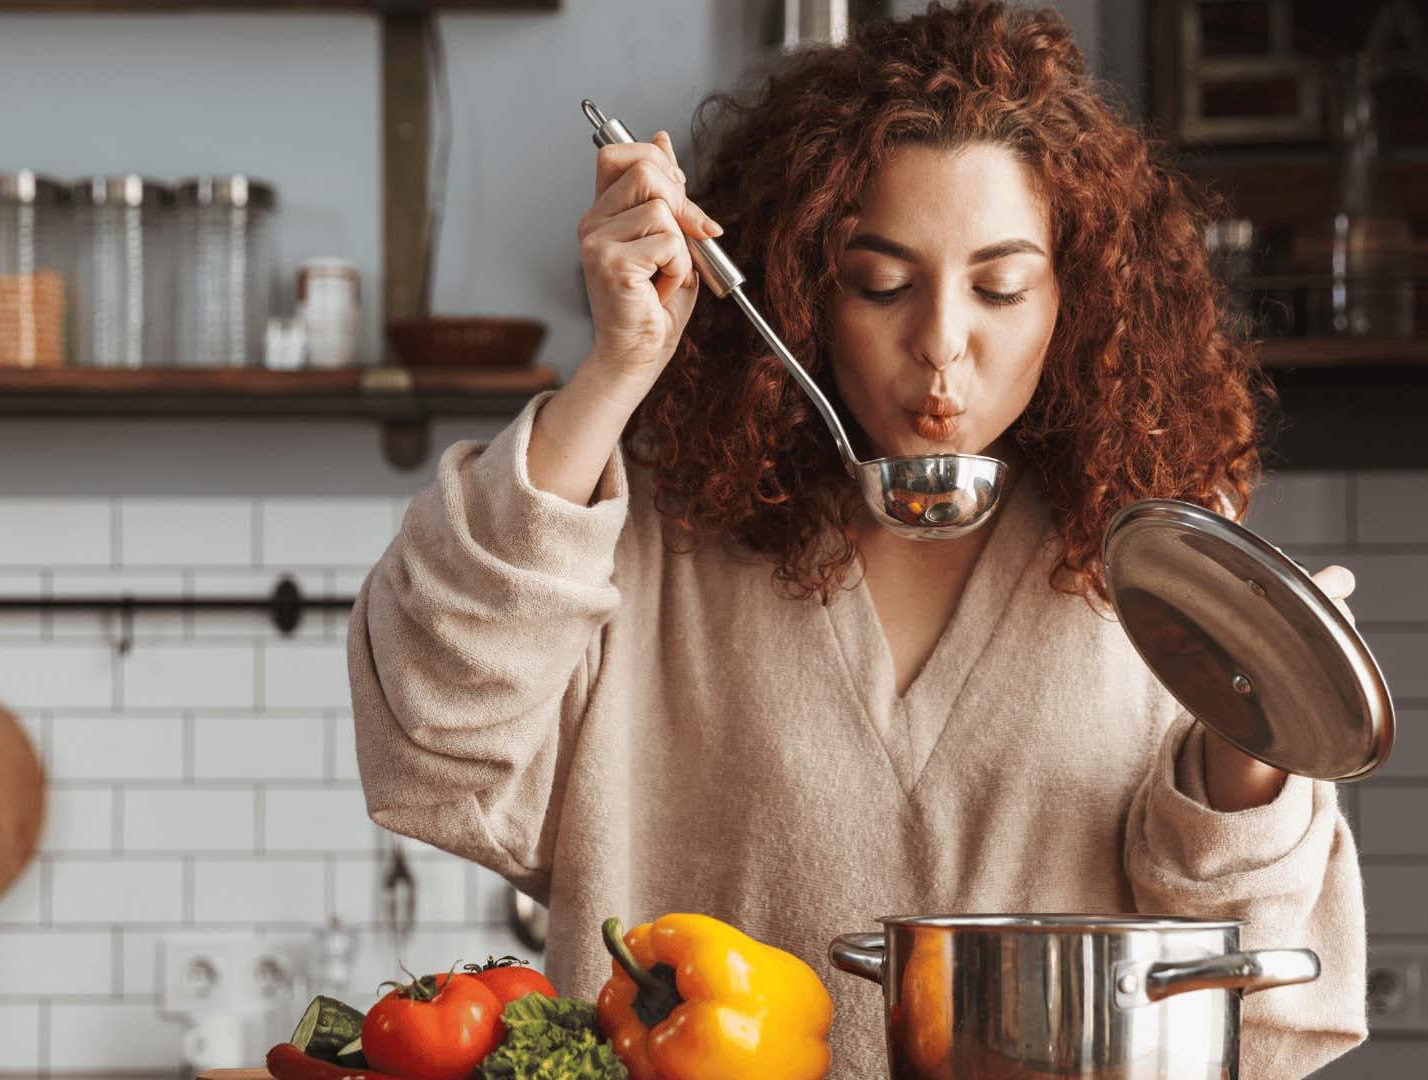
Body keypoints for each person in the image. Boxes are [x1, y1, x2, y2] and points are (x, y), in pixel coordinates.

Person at [348, 2, 1367, 1075]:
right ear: (801, 287)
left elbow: (1251, 990)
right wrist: (615, 374)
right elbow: (433, 735)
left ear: (1081, 295)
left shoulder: (1160, 565)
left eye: (1001, 287)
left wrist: (1255, 744)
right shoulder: (656, 536)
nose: (940, 345)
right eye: (881, 283)